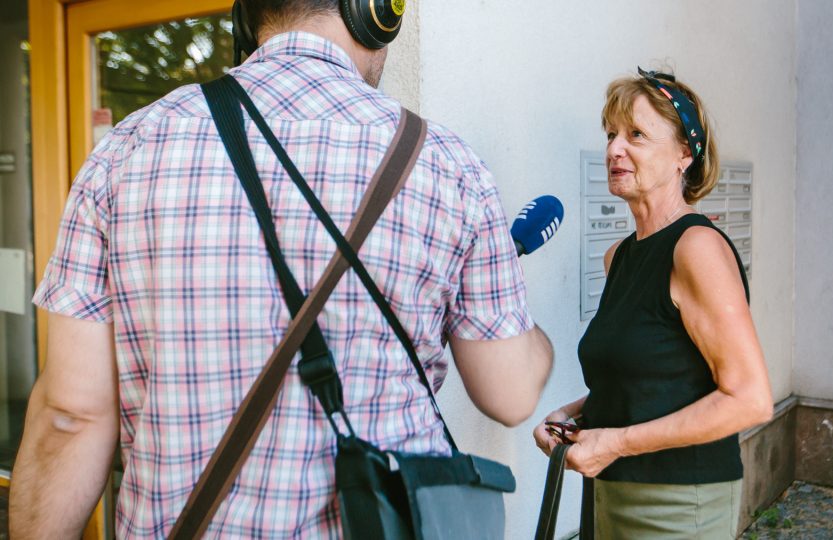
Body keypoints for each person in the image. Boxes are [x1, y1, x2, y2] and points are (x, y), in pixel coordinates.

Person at [10, 1, 554, 537]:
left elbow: (70, 417)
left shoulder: (127, 150)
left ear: (247, 15)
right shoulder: (447, 165)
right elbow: (510, 395)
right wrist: (526, 320)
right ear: (376, 11)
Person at [533, 69, 772, 539]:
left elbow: (750, 399)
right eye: (611, 134)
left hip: (677, 504)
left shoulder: (695, 247)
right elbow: (650, 382)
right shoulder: (619, 256)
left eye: (636, 135)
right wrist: (574, 416)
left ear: (684, 153)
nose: (614, 149)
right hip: (612, 492)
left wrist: (615, 443)